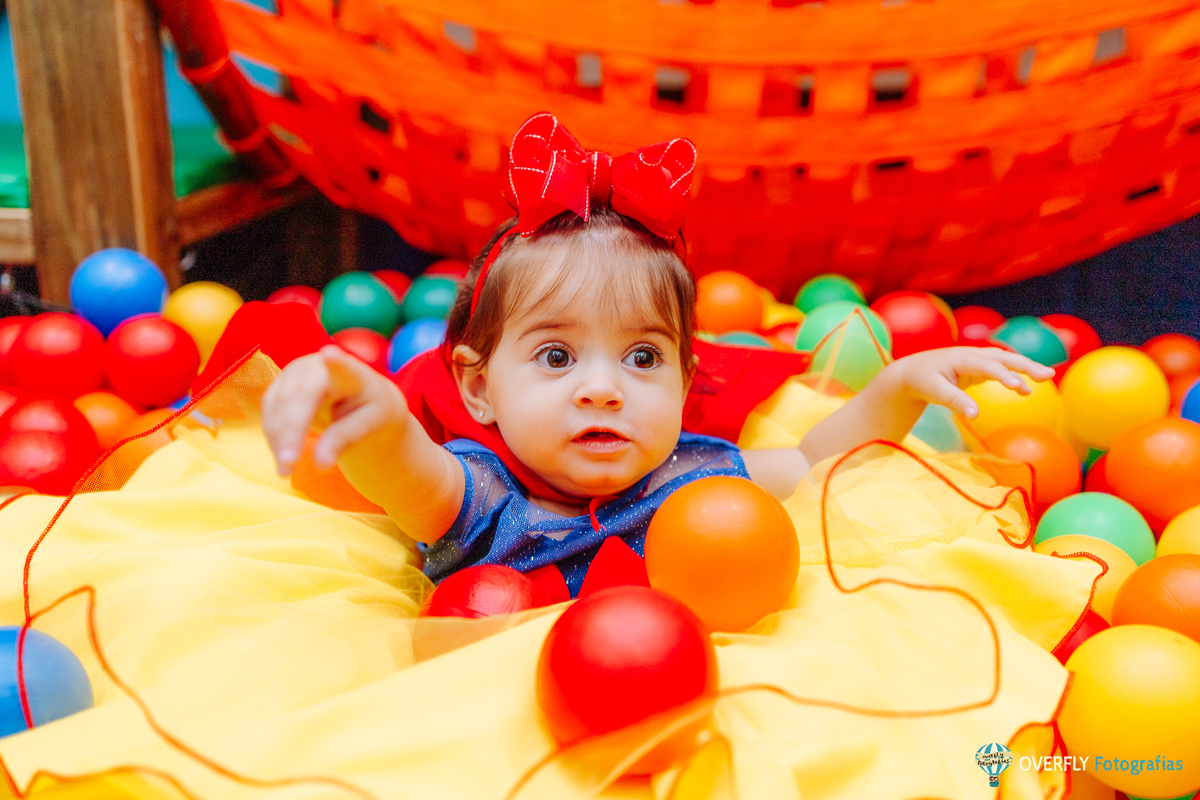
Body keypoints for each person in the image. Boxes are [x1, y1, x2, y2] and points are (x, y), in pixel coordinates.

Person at [261, 112, 1053, 598]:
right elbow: (405, 466)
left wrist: (896, 386)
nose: (603, 390)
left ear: (686, 379)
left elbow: (815, 461)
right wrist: (366, 409)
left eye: (642, 359)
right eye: (557, 357)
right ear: (479, 391)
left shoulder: (698, 477)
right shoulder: (478, 497)